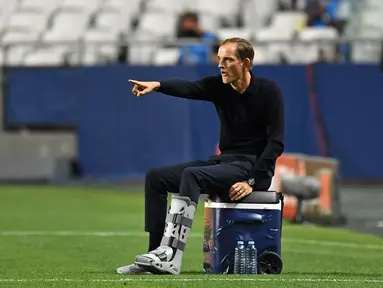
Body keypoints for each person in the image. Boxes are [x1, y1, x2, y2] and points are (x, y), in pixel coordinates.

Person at [116, 37, 285, 275]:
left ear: (246, 63)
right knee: (156, 178)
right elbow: (190, 88)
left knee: (192, 175)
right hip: (225, 162)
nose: (220, 64)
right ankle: (155, 254)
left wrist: (252, 181)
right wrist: (157, 84)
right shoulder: (220, 86)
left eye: (228, 59)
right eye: (219, 58)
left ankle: (172, 255)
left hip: (251, 167)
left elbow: (276, 142)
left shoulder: (269, 92)